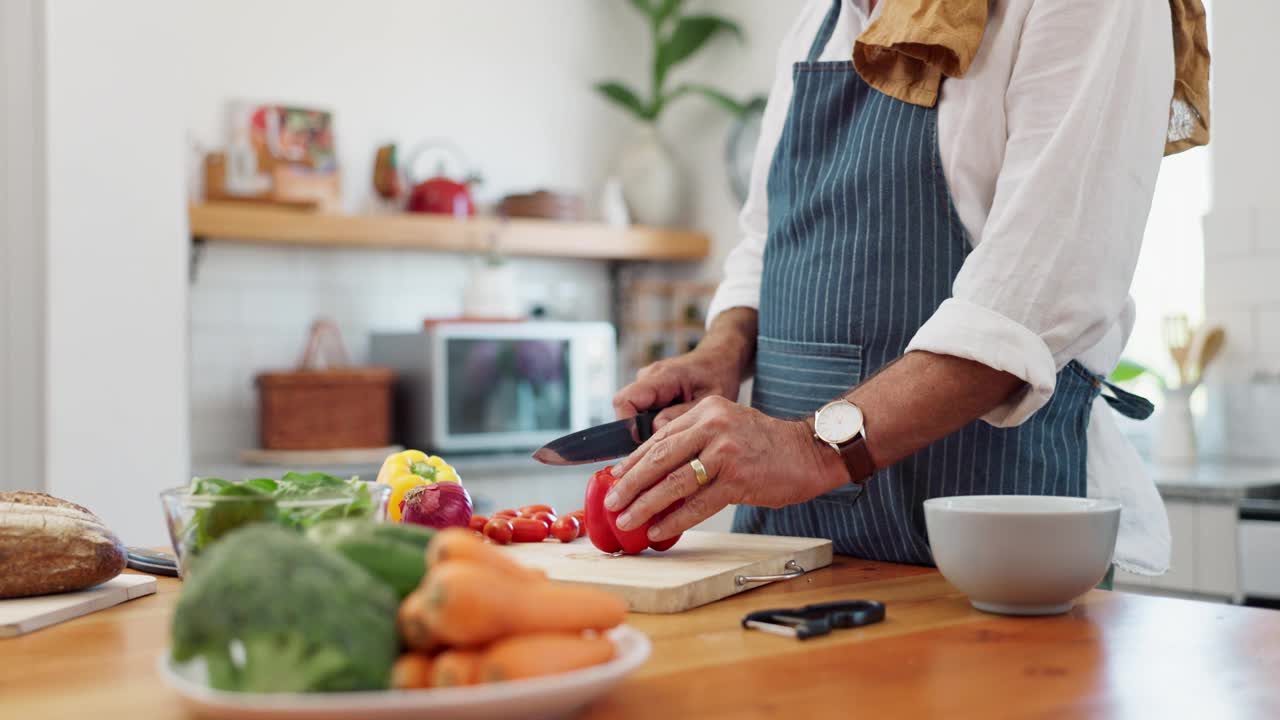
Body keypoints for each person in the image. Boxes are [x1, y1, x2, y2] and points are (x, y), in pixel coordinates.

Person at [602, 0, 1210, 580]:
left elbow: (1031, 301)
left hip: (994, 570)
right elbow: (762, 237)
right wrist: (724, 350)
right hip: (782, 557)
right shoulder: (819, 23)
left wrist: (807, 450)